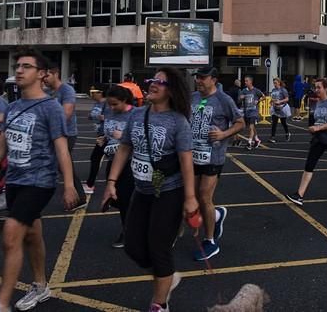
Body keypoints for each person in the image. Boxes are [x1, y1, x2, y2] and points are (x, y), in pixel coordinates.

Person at [0, 47, 78, 312]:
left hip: (39, 181)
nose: (20, 71)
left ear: (42, 74)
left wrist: (69, 185)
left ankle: (1, 303)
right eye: (18, 67)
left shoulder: (51, 108)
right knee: (32, 235)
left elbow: (61, 148)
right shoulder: (12, 107)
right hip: (15, 180)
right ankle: (41, 285)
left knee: (11, 234)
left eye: (26, 66)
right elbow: (2, 147)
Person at [102, 67, 198, 312]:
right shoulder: (137, 115)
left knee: (159, 248)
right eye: (152, 79)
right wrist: (111, 183)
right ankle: (166, 277)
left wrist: (190, 198)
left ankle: (160, 303)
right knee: (134, 247)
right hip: (142, 190)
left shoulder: (178, 121)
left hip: (169, 191)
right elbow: (124, 148)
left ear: (172, 90)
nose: (153, 84)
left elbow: (187, 162)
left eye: (160, 82)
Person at [190, 66, 245, 261]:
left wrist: (223, 134)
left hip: (213, 156)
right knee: (195, 196)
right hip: (193, 155)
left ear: (213, 79)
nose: (198, 80)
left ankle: (210, 241)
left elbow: (240, 122)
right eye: (197, 77)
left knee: (204, 197)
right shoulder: (193, 97)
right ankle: (217, 215)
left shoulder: (223, 99)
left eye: (202, 77)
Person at [286, 79, 327, 206]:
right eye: (315, 87)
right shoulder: (316, 103)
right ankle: (299, 195)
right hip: (318, 139)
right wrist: (313, 128)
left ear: (326, 88)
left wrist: (319, 128)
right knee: (309, 165)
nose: (316, 90)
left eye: (319, 87)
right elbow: (315, 120)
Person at [44, 64, 87, 210]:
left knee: (63, 164)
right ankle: (77, 195)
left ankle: (79, 197)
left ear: (56, 74)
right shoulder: (50, 92)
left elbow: (66, 114)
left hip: (67, 134)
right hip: (54, 134)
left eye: (47, 75)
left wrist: (48, 125)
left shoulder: (66, 90)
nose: (44, 79)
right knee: (61, 165)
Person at [101, 85, 136, 248]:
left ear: (125, 101)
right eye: (109, 104)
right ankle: (128, 229)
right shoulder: (109, 112)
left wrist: (123, 136)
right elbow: (108, 131)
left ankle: (129, 232)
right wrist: (104, 139)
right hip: (112, 160)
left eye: (115, 104)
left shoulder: (135, 114)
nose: (111, 108)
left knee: (127, 200)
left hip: (130, 163)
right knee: (120, 200)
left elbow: (142, 139)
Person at [84, 88, 107, 194]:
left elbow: (110, 117)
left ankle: (90, 184)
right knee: (96, 158)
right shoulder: (97, 104)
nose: (92, 95)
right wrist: (97, 116)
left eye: (94, 93)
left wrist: (102, 117)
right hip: (100, 135)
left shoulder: (107, 104)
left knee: (95, 157)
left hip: (106, 136)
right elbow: (89, 116)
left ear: (101, 93)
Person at [239, 76, 264, 150]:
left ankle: (249, 142)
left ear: (250, 82)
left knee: (251, 127)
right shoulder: (244, 91)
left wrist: (258, 101)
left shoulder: (256, 90)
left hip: (254, 111)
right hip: (246, 112)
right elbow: (239, 98)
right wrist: (241, 97)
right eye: (245, 81)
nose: (245, 82)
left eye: (246, 81)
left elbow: (263, 96)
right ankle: (257, 139)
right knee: (251, 127)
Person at [268, 78, 291, 143]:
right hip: (275, 109)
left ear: (279, 82)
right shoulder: (273, 90)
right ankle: (272, 137)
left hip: (282, 108)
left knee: (283, 123)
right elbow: (272, 98)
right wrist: (271, 102)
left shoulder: (283, 90)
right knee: (274, 123)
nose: (274, 84)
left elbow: (287, 99)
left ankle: (287, 133)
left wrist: (280, 101)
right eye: (274, 83)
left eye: (275, 83)